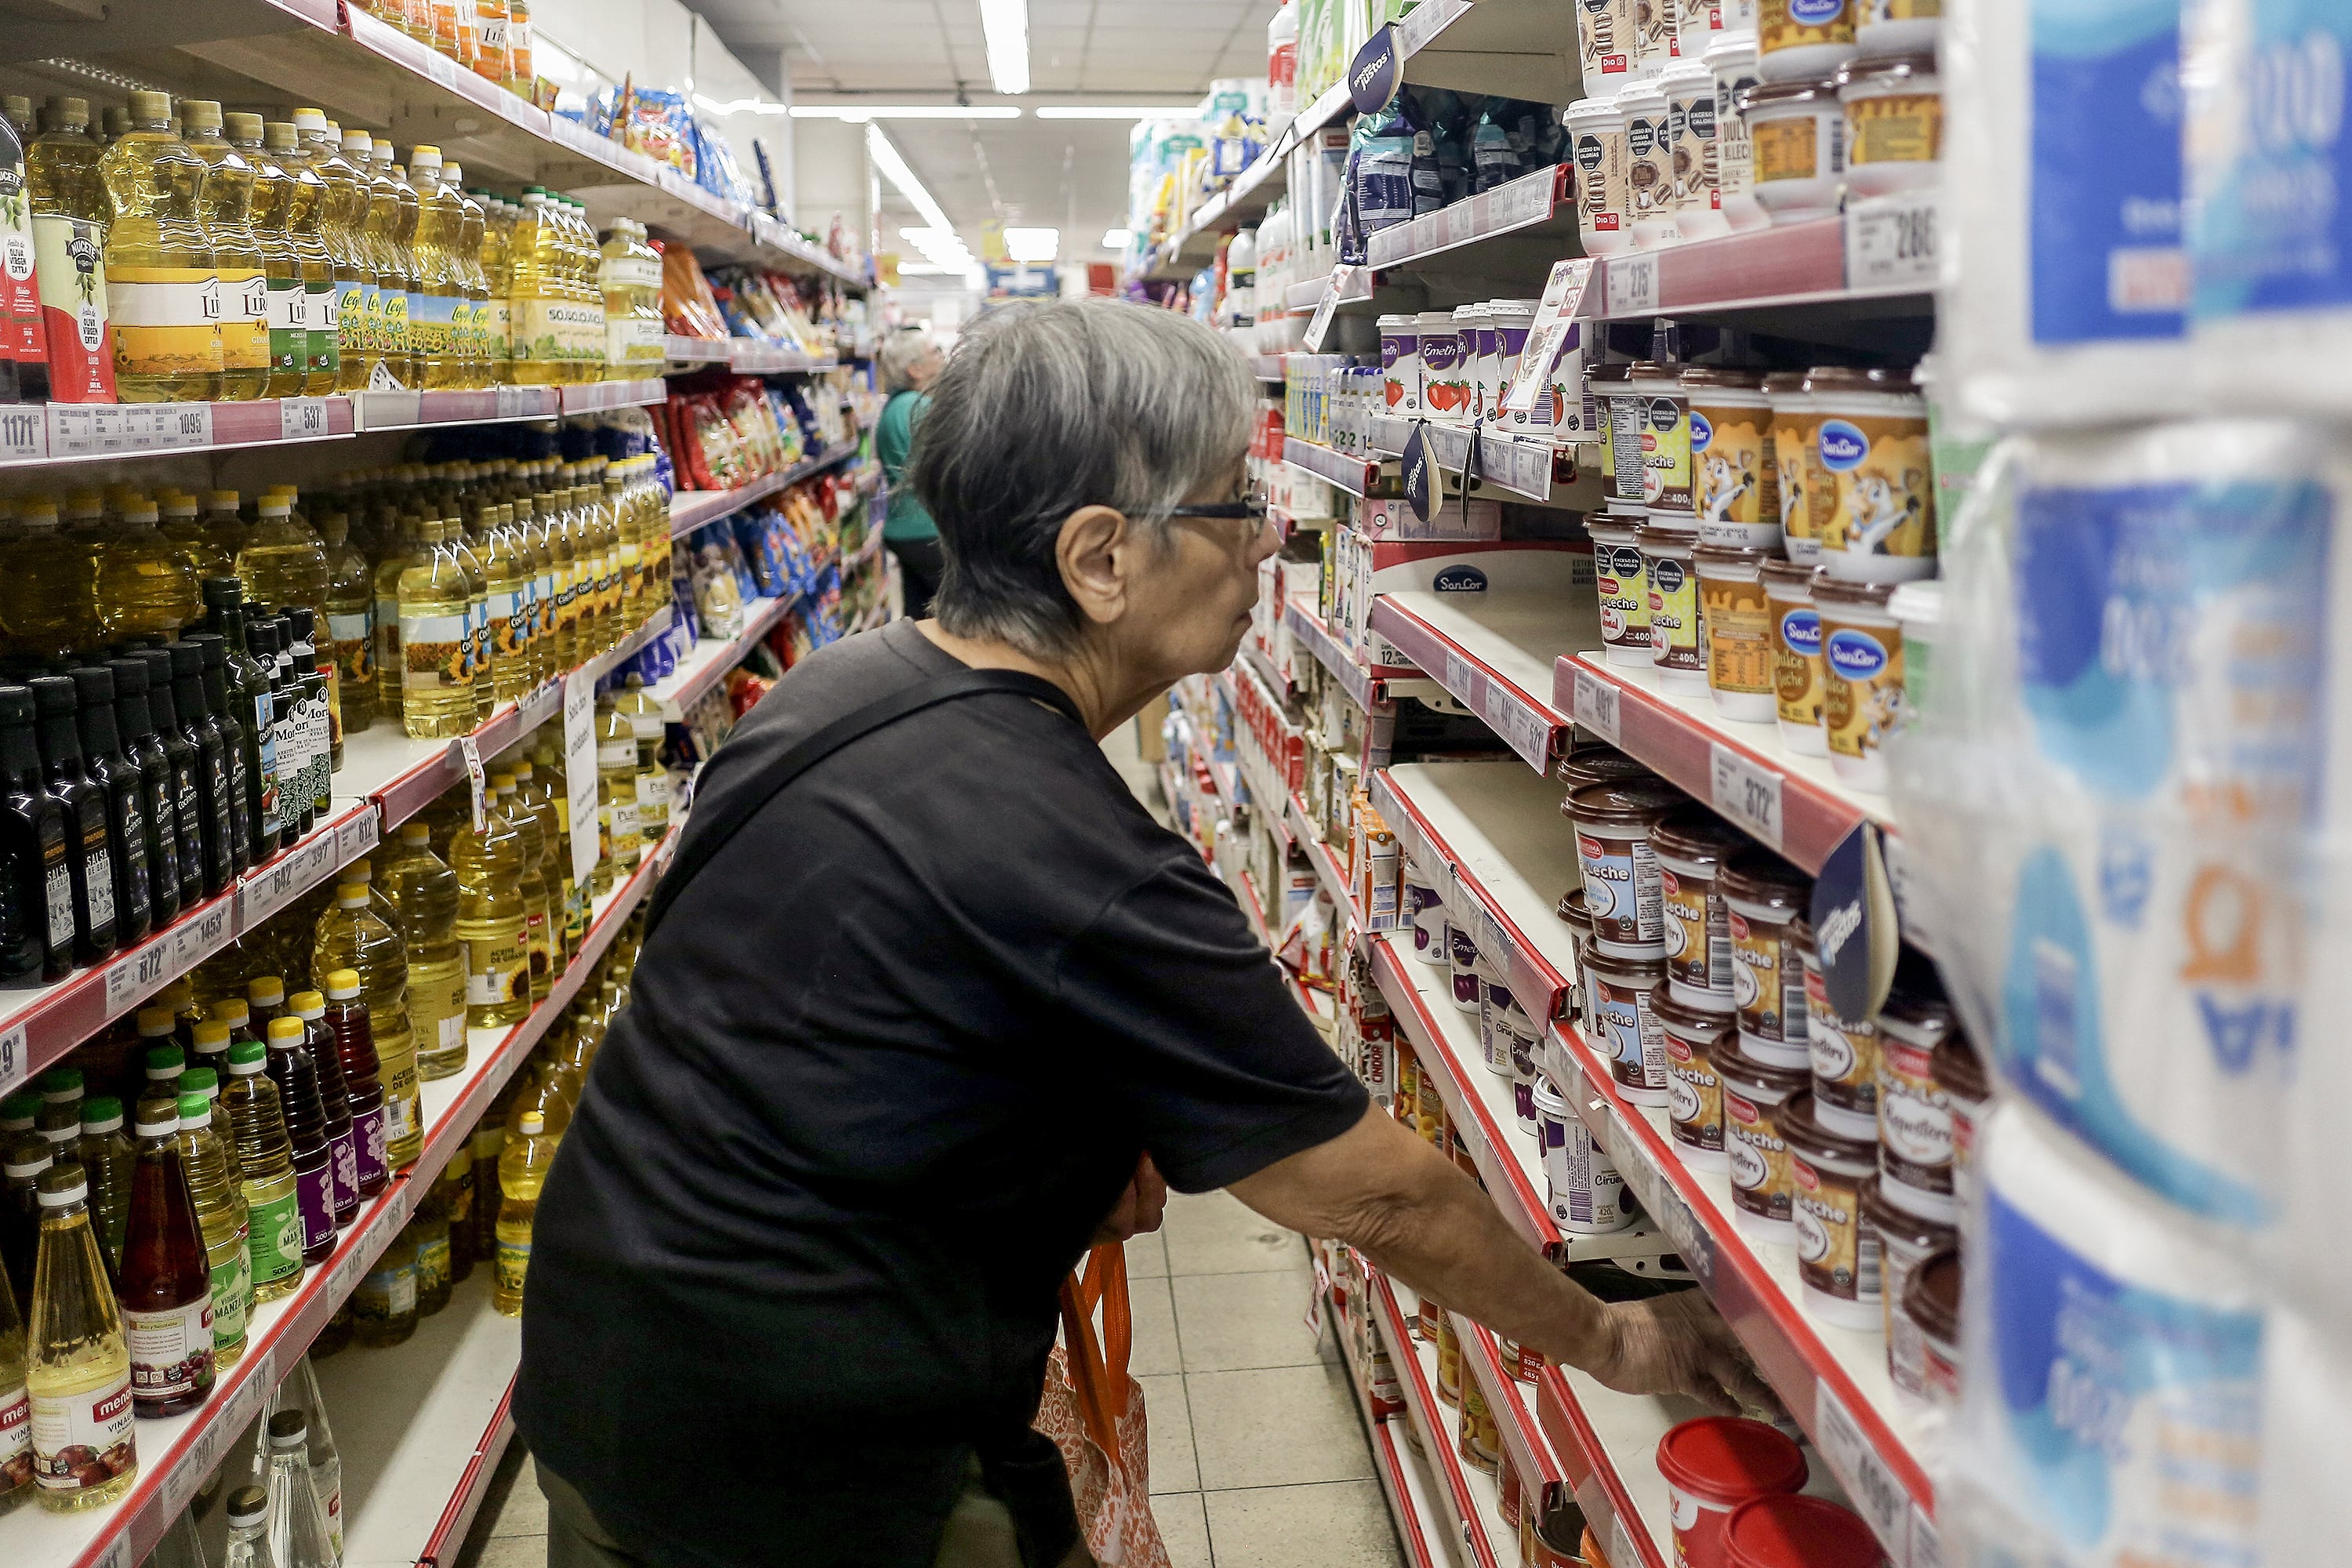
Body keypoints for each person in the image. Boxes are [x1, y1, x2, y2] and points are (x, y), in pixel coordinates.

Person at [514, 299, 1767, 1568]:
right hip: (808, 1478)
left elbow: (766, 994)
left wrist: (1026, 1134)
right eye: (1236, 503)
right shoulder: (1088, 864)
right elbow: (1380, 1196)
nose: (1272, 540)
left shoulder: (833, 689)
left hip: (595, 1372)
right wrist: (1615, 1339)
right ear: (1101, 559)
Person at [876, 325, 947, 612]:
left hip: (902, 529)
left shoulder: (894, 407)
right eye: (935, 352)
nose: (942, 357)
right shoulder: (922, 406)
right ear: (915, 369)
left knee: (920, 614)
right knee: (958, 615)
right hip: (929, 528)